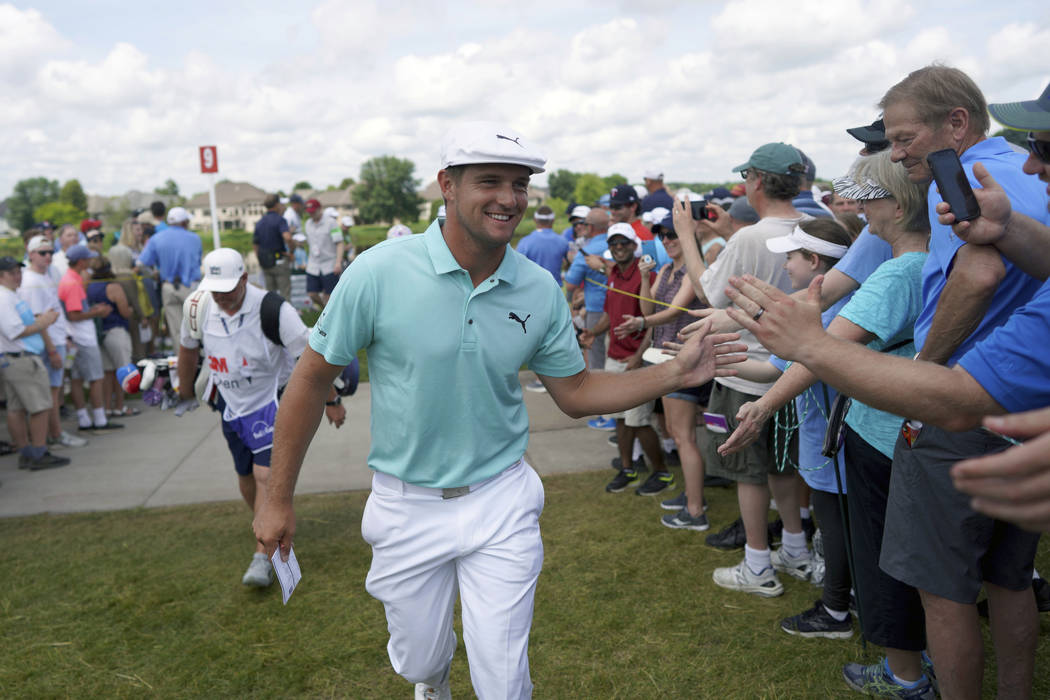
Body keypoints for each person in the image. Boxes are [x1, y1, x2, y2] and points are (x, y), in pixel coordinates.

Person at [252, 122, 745, 700]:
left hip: (501, 501)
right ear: (447, 186)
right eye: (490, 181)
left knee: (505, 680)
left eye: (520, 184)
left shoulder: (537, 289)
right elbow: (310, 380)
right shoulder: (378, 272)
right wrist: (277, 497)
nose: (510, 198)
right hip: (405, 505)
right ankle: (431, 681)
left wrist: (676, 373)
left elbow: (578, 391)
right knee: (419, 659)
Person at [724, 152, 936, 696]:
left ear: (897, 202)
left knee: (885, 560)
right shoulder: (933, 261)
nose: (860, 212)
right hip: (906, 434)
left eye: (867, 200)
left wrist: (764, 402)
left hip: (882, 438)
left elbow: (822, 351)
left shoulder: (897, 272)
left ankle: (905, 675)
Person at [672, 142, 810, 597]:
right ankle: (795, 548)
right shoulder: (811, 226)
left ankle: (757, 564)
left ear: (756, 181)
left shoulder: (749, 237)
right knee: (785, 467)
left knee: (750, 473)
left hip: (741, 367)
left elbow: (711, 295)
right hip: (794, 370)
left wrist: (686, 234)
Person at [174, 248, 346, 587]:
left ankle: (261, 557)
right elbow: (187, 347)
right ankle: (267, 524)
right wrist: (182, 392)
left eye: (228, 289)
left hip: (272, 401)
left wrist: (332, 400)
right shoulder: (197, 306)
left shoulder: (274, 309)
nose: (222, 297)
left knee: (265, 474)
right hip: (231, 405)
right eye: (215, 290)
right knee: (245, 476)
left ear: (244, 278)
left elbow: (312, 358)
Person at [614, 213, 709, 528]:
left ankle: (695, 510)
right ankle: (691, 495)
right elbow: (647, 307)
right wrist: (644, 278)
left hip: (684, 360)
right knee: (676, 432)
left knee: (683, 436)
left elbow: (667, 315)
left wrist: (641, 324)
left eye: (672, 234)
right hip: (666, 358)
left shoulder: (692, 274)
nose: (667, 240)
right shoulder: (667, 269)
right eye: (662, 236)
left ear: (685, 236)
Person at [0, 256, 70, 471]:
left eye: (18, 271)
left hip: (15, 359)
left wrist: (39, 319)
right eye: (12, 273)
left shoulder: (11, 296)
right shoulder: (4, 298)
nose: (17, 276)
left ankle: (27, 453)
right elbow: (14, 331)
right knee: (40, 406)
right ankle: (38, 452)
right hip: (21, 358)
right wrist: (43, 322)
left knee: (16, 408)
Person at [18, 235, 87, 449]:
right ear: (30, 255)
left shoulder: (45, 274)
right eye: (42, 253)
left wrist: (63, 337)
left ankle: (53, 433)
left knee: (53, 391)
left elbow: (53, 311)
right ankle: (55, 434)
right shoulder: (30, 282)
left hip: (56, 340)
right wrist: (52, 348)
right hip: (47, 345)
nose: (48, 256)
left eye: (50, 252)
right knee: (51, 393)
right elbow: (39, 321)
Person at [57, 244, 124, 434]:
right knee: (95, 379)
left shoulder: (71, 278)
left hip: (75, 336)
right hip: (83, 338)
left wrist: (92, 310)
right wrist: (97, 312)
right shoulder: (73, 282)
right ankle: (99, 419)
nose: (90, 262)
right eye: (87, 259)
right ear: (81, 261)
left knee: (78, 379)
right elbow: (74, 315)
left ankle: (84, 419)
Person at [136, 206, 202, 351]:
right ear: (184, 222)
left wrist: (155, 273)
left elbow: (140, 263)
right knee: (197, 328)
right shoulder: (194, 238)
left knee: (177, 331)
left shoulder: (156, 238)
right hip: (191, 287)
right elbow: (198, 262)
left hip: (168, 287)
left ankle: (182, 365)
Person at [86, 258, 137, 417]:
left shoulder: (89, 287)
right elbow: (124, 311)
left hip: (100, 334)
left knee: (108, 373)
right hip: (116, 331)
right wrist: (131, 310)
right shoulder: (113, 287)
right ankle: (119, 406)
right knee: (123, 371)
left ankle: (107, 407)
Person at [303, 198, 345, 308]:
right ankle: (325, 310)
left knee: (330, 295)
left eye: (313, 212)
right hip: (313, 265)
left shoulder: (332, 223)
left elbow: (339, 243)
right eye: (309, 212)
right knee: (312, 293)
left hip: (329, 264)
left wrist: (338, 262)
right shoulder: (308, 224)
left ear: (320, 209)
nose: (311, 214)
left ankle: (328, 315)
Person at [515, 205, 570, 285]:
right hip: (555, 289)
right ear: (553, 220)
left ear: (535, 220)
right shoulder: (563, 241)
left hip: (532, 288)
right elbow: (569, 264)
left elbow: (517, 268)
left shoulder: (525, 242)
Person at [253, 194, 293, 301]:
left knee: (270, 294)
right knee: (285, 293)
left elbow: (255, 244)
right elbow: (288, 238)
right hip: (279, 261)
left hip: (265, 263)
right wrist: (291, 252)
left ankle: (272, 316)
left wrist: (259, 259)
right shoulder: (280, 220)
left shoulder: (260, 222)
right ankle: (286, 316)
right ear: (277, 205)